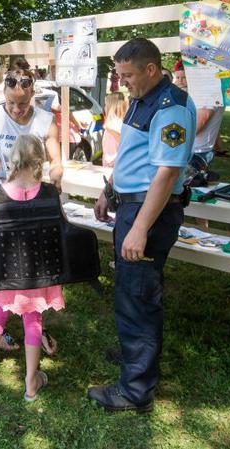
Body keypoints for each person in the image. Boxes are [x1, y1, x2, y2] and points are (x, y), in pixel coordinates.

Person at [88, 38, 195, 414]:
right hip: (131, 208)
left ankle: (135, 391)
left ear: (152, 69)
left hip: (149, 214)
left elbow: (166, 175)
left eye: (127, 75)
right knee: (129, 291)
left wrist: (140, 229)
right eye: (119, 75)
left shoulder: (172, 108)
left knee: (140, 297)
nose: (122, 83)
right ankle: (134, 355)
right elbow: (132, 158)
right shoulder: (143, 100)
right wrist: (109, 191)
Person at [0, 134, 65, 401]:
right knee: (33, 321)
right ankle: (30, 382)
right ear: (40, 159)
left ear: (13, 158)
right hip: (40, 272)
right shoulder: (50, 193)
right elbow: (62, 230)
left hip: (6, 272)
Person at [0, 59, 63, 190]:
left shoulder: (46, 120)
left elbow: (56, 161)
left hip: (34, 192)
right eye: (11, 102)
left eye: (23, 103)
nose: (16, 109)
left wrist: (55, 181)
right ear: (4, 93)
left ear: (32, 95)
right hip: (3, 193)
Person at [102, 92, 129, 168]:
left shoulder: (111, 126)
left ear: (111, 106)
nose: (105, 107)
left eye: (106, 104)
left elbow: (125, 147)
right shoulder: (121, 123)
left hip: (113, 165)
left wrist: (112, 163)